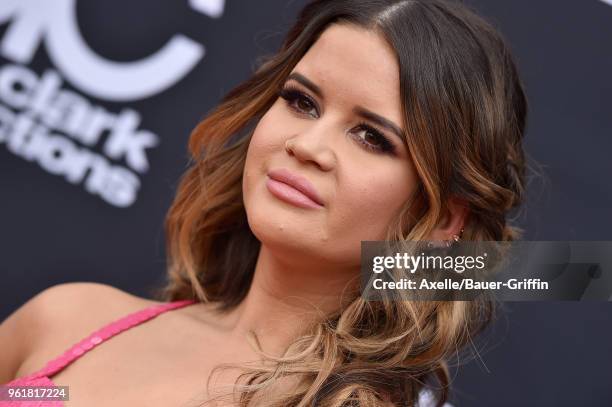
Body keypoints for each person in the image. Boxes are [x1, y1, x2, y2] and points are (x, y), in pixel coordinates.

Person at [0, 0, 527, 405]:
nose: (308, 146)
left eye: (371, 137)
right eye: (301, 101)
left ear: (444, 219)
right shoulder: (68, 318)